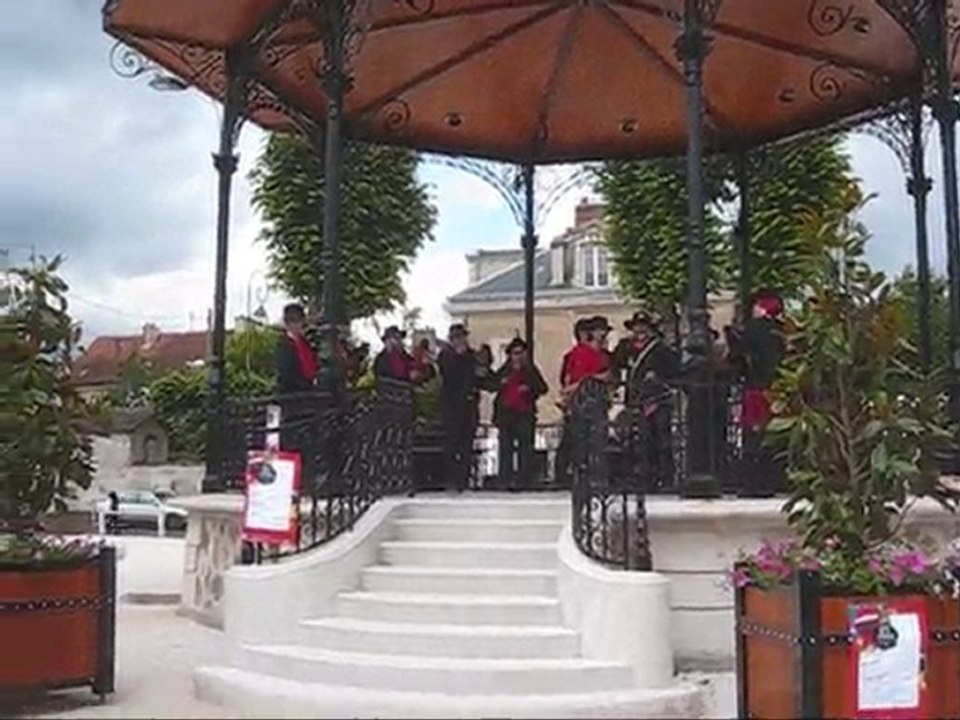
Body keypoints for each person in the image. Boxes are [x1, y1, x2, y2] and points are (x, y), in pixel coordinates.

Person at [614, 311, 680, 490]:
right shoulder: (625, 348)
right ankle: (641, 476)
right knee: (637, 440)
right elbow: (616, 365)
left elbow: (674, 370)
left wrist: (658, 376)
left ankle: (665, 476)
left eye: (644, 327)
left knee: (661, 439)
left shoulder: (660, 349)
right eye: (636, 327)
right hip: (635, 399)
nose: (640, 330)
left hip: (657, 399)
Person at [732, 290, 787, 496]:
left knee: (753, 436)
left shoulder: (753, 329)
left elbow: (741, 358)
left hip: (756, 388)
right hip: (778, 390)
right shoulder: (781, 330)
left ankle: (753, 483)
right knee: (773, 436)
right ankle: (773, 480)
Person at [493, 338, 548, 490]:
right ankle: (505, 479)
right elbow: (491, 383)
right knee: (506, 448)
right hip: (507, 414)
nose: (518, 356)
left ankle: (524, 480)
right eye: (515, 353)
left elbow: (543, 387)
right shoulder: (505, 370)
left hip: (524, 414)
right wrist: (501, 383)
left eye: (521, 353)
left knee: (525, 448)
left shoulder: (530, 370)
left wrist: (529, 388)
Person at [437, 324, 483, 492]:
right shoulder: (445, 356)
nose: (459, 340)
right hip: (451, 406)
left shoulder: (472, 356)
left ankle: (463, 480)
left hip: (468, 406)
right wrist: (458, 356)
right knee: (451, 443)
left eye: (461, 337)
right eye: (455, 337)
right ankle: (450, 479)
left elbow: (480, 375)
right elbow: (446, 372)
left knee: (466, 445)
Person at [554, 318, 592, 486]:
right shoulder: (571, 356)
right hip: (576, 403)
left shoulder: (599, 355)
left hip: (592, 403)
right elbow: (566, 379)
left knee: (590, 442)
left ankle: (586, 475)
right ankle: (562, 476)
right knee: (569, 441)